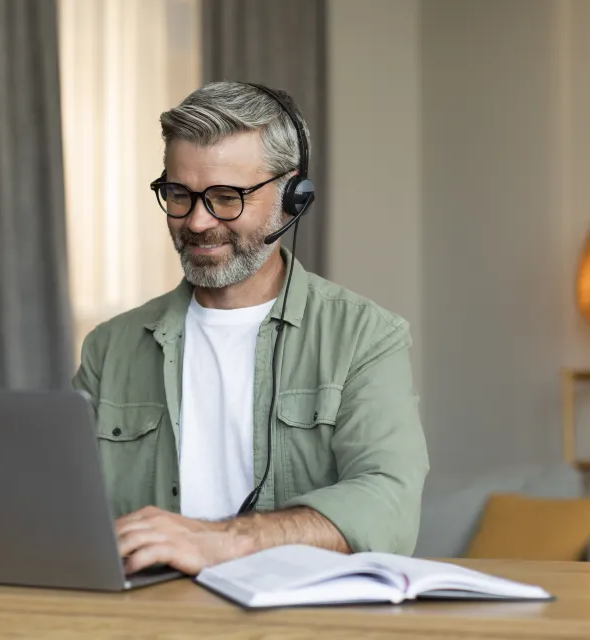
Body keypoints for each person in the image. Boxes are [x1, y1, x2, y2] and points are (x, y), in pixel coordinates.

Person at [71, 81, 429, 577]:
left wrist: (221, 541)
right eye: (179, 194)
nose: (197, 222)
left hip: (296, 614)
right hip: (148, 611)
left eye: (226, 197)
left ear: (292, 197)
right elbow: (60, 501)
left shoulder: (365, 337)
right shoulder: (109, 347)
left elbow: (388, 505)